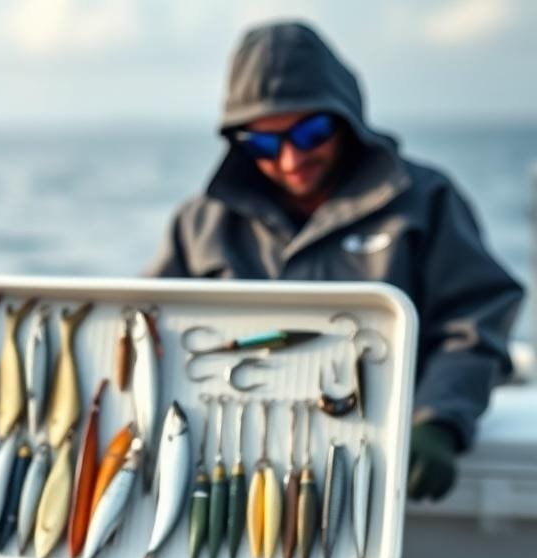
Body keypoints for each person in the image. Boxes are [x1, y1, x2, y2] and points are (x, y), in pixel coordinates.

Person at [147, 21, 524, 500]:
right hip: (231, 476)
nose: (289, 160)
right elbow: (149, 335)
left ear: (345, 118)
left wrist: (438, 420)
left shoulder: (424, 201)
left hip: (376, 474)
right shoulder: (200, 224)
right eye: (263, 144)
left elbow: (475, 320)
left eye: (310, 133)